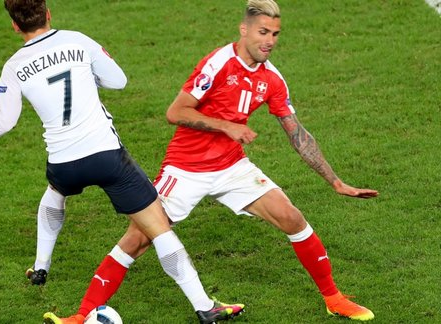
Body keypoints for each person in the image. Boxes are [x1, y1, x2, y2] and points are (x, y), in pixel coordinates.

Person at [52, 0, 379, 322]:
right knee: (138, 239)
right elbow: (175, 112)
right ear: (244, 29)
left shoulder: (272, 79)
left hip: (232, 167)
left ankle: (334, 299)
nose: (269, 41)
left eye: (275, 34)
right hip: (185, 168)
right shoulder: (218, 64)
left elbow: (297, 134)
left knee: (291, 217)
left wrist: (335, 181)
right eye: (263, 32)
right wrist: (226, 126)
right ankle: (82, 315)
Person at [0, 0, 245, 323]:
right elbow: (118, 80)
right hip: (107, 158)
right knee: (159, 229)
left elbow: (3, 121)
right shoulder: (77, 41)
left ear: (14, 25)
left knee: (55, 192)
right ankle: (205, 306)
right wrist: (89, 78)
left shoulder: (14, 66)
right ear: (47, 13)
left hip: (63, 163)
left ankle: (40, 266)